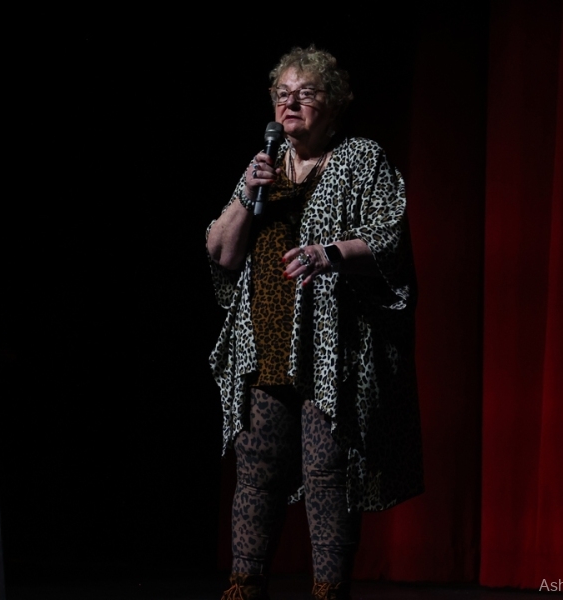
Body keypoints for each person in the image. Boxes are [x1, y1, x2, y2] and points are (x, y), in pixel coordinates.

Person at [206, 46, 422, 600]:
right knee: (256, 469)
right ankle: (244, 584)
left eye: (306, 93)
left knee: (328, 469)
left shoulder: (360, 158)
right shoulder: (264, 165)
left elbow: (389, 238)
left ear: (334, 103)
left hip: (333, 345)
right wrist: (246, 193)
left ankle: (329, 590)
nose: (291, 102)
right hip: (265, 340)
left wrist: (329, 253)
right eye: (282, 93)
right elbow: (222, 252)